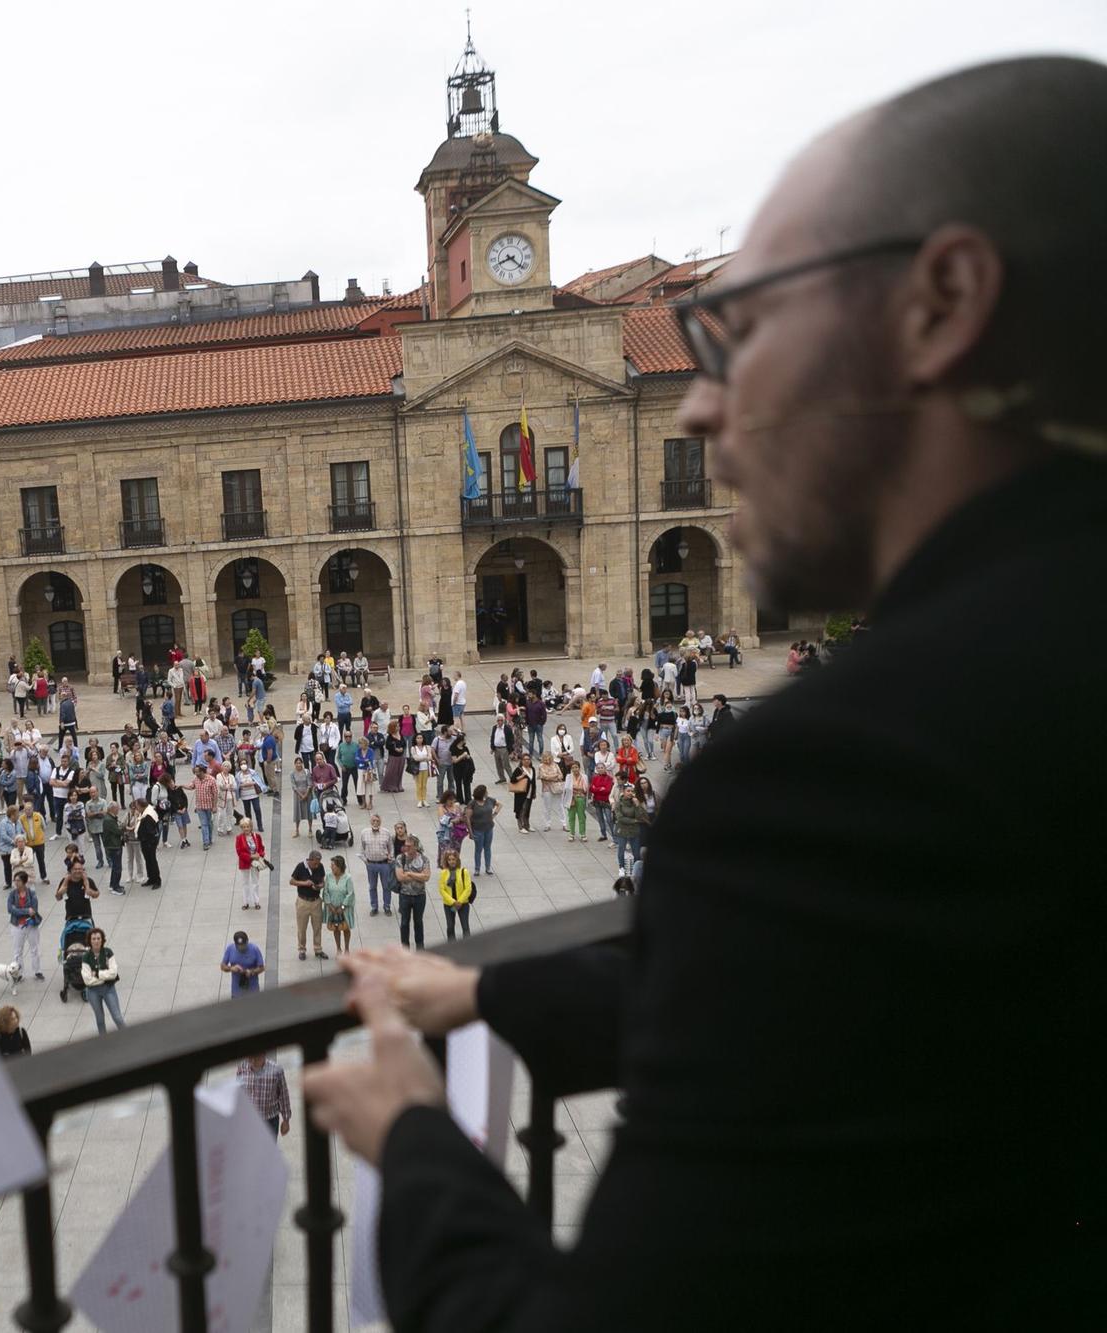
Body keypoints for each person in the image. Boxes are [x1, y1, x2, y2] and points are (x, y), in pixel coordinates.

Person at [304, 58, 1107, 1329]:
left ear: (941, 302)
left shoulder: (849, 771)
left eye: (738, 329)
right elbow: (857, 978)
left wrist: (412, 1144)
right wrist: (498, 992)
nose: (704, 408)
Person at [78, 927, 127, 1034]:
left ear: (102, 940)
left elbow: (113, 973)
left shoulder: (108, 953)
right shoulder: (86, 957)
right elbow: (87, 981)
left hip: (108, 989)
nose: (96, 941)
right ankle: (103, 1041)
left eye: (98, 938)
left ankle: (128, 1036)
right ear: (90, 941)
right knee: (100, 1020)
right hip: (93, 992)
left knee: (117, 1017)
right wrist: (105, 977)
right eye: (94, 939)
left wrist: (97, 974)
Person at [236, 1052, 292, 1137]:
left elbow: (284, 1095)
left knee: (269, 1149)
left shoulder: (276, 1070)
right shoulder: (242, 1069)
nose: (253, 1061)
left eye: (256, 1057)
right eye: (250, 1057)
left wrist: (286, 1120)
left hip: (270, 1121)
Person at [393, 834, 431, 948]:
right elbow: (400, 877)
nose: (407, 848)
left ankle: (420, 947)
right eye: (406, 846)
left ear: (416, 847)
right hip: (405, 896)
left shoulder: (424, 859)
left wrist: (409, 873)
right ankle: (405, 947)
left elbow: (427, 877)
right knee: (404, 922)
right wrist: (418, 875)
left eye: (409, 846)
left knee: (418, 922)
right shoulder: (401, 858)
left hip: (420, 896)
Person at [6, 871, 45, 981]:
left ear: (24, 882)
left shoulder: (31, 893)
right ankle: (19, 973)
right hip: (17, 925)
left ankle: (37, 971)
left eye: (18, 880)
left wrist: (20, 910)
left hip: (31, 924)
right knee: (17, 950)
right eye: (15, 880)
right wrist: (26, 911)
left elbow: (34, 910)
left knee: (35, 948)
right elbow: (10, 909)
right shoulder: (12, 894)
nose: (16, 882)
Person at [290, 848, 327, 960]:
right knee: (302, 928)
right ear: (310, 860)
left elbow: (322, 881)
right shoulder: (300, 867)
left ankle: (318, 949)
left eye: (318, 863)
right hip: (303, 901)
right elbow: (292, 881)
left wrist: (320, 885)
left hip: (316, 901)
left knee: (317, 927)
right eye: (315, 863)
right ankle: (302, 949)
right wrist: (304, 883)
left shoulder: (320, 867)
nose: (317, 866)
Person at [436, 846, 475, 940]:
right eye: (449, 860)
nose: (452, 861)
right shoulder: (443, 873)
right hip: (449, 904)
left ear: (457, 860)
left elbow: (468, 888)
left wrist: (460, 901)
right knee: (450, 926)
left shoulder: (463, 872)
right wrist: (453, 902)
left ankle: (468, 946)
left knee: (465, 926)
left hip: (463, 903)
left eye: (453, 859)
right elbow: (442, 890)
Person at [322, 853, 357, 954]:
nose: (331, 867)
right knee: (336, 928)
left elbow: (350, 893)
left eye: (333, 865)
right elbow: (325, 891)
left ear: (339, 866)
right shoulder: (328, 876)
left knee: (345, 928)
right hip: (332, 908)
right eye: (331, 865)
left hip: (344, 908)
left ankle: (346, 949)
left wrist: (342, 906)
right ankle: (338, 948)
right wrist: (329, 905)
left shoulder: (347, 878)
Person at [220, 929, 266, 996]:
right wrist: (231, 968)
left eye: (243, 945)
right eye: (239, 946)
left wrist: (251, 972)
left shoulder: (254, 949)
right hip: (236, 991)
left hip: (252, 990)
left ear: (247, 941)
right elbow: (222, 966)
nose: (241, 948)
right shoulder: (230, 949)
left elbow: (261, 968)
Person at [234, 816, 267, 909]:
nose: (246, 829)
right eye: (244, 827)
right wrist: (251, 856)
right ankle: (246, 902)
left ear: (251, 827)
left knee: (255, 882)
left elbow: (261, 848)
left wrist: (260, 855)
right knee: (245, 883)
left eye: (247, 826)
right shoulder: (239, 838)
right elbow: (239, 852)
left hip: (255, 863)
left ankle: (256, 901)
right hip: (245, 863)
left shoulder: (257, 836)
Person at [467, 784, 499, 875]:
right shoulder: (472, 803)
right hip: (477, 829)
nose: (487, 793)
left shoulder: (489, 800)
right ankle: (477, 868)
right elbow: (468, 818)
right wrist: (470, 831)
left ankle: (488, 867)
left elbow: (499, 804)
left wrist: (494, 814)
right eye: (486, 792)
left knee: (488, 848)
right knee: (478, 849)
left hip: (489, 828)